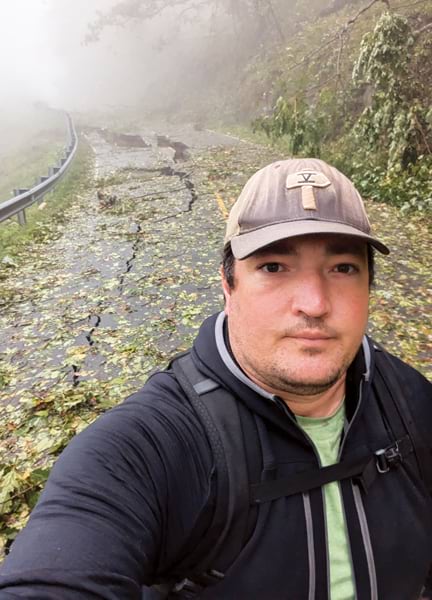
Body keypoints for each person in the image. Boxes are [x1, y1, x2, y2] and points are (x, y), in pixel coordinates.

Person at [0, 158, 431, 600]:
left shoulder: (412, 405)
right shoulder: (150, 446)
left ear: (368, 289)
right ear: (228, 286)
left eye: (342, 268)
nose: (314, 303)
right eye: (274, 267)